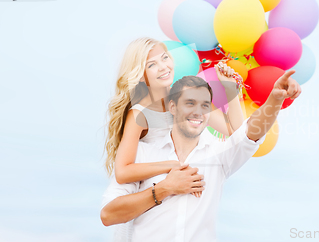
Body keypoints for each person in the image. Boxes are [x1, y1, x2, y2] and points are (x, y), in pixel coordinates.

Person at [100, 72, 301, 241]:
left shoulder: (219, 156)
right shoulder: (144, 152)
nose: (198, 112)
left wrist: (275, 99)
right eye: (190, 103)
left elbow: (251, 131)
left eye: (205, 105)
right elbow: (109, 215)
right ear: (172, 107)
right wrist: (164, 189)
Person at [103, 37, 243, 240]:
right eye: (152, 65)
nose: (163, 67)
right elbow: (123, 171)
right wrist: (173, 165)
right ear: (141, 76)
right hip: (150, 194)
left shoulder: (186, 97)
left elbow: (234, 131)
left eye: (165, 58)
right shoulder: (139, 114)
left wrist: (231, 89)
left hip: (181, 191)